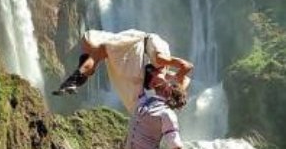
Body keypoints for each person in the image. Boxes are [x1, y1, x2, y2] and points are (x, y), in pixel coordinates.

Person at [53, 28, 193, 113]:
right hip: (139, 42)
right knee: (94, 45)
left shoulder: (159, 87)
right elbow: (187, 67)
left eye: (160, 93)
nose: (158, 91)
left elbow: (184, 81)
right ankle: (77, 77)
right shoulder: (161, 59)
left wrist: (171, 97)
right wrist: (178, 86)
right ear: (170, 86)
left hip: (135, 61)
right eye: (163, 90)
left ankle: (78, 77)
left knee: (95, 49)